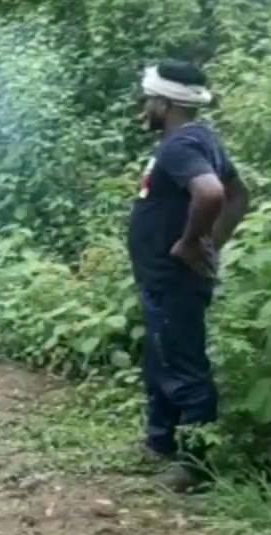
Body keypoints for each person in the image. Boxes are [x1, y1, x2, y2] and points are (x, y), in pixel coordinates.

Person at [129, 60, 249, 492]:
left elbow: (215, 192)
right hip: (165, 277)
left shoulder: (181, 145)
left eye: (149, 100)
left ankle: (194, 468)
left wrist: (192, 242)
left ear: (164, 103)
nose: (144, 108)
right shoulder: (199, 139)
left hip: (173, 277)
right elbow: (239, 195)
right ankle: (159, 442)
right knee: (160, 359)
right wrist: (209, 242)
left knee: (182, 365)